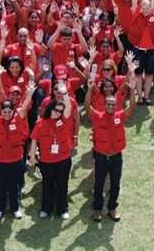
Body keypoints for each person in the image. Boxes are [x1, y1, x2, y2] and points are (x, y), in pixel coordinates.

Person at [0, 77, 35, 219]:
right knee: (2, 185)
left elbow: (24, 107)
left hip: (15, 158)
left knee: (14, 185)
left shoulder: (18, 118)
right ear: (1, 112)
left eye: (9, 112)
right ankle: (0, 207)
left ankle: (15, 209)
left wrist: (29, 94)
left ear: (12, 111)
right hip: (0, 159)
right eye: (4, 112)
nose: (7, 114)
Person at [84, 72, 136, 222]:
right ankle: (98, 209)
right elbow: (87, 106)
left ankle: (112, 208)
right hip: (100, 157)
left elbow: (131, 107)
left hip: (116, 157)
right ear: (105, 104)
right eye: (108, 104)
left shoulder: (120, 116)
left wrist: (132, 90)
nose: (111, 106)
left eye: (113, 104)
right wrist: (89, 89)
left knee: (115, 185)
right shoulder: (98, 116)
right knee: (99, 185)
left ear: (116, 105)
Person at [28, 85, 73, 219]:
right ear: (50, 109)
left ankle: (62, 209)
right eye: (55, 110)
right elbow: (34, 140)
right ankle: (46, 208)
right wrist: (31, 156)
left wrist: (64, 93)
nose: (58, 113)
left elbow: (69, 108)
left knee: (62, 185)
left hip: (63, 159)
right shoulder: (40, 122)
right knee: (47, 185)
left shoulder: (63, 119)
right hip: (46, 160)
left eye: (60, 111)